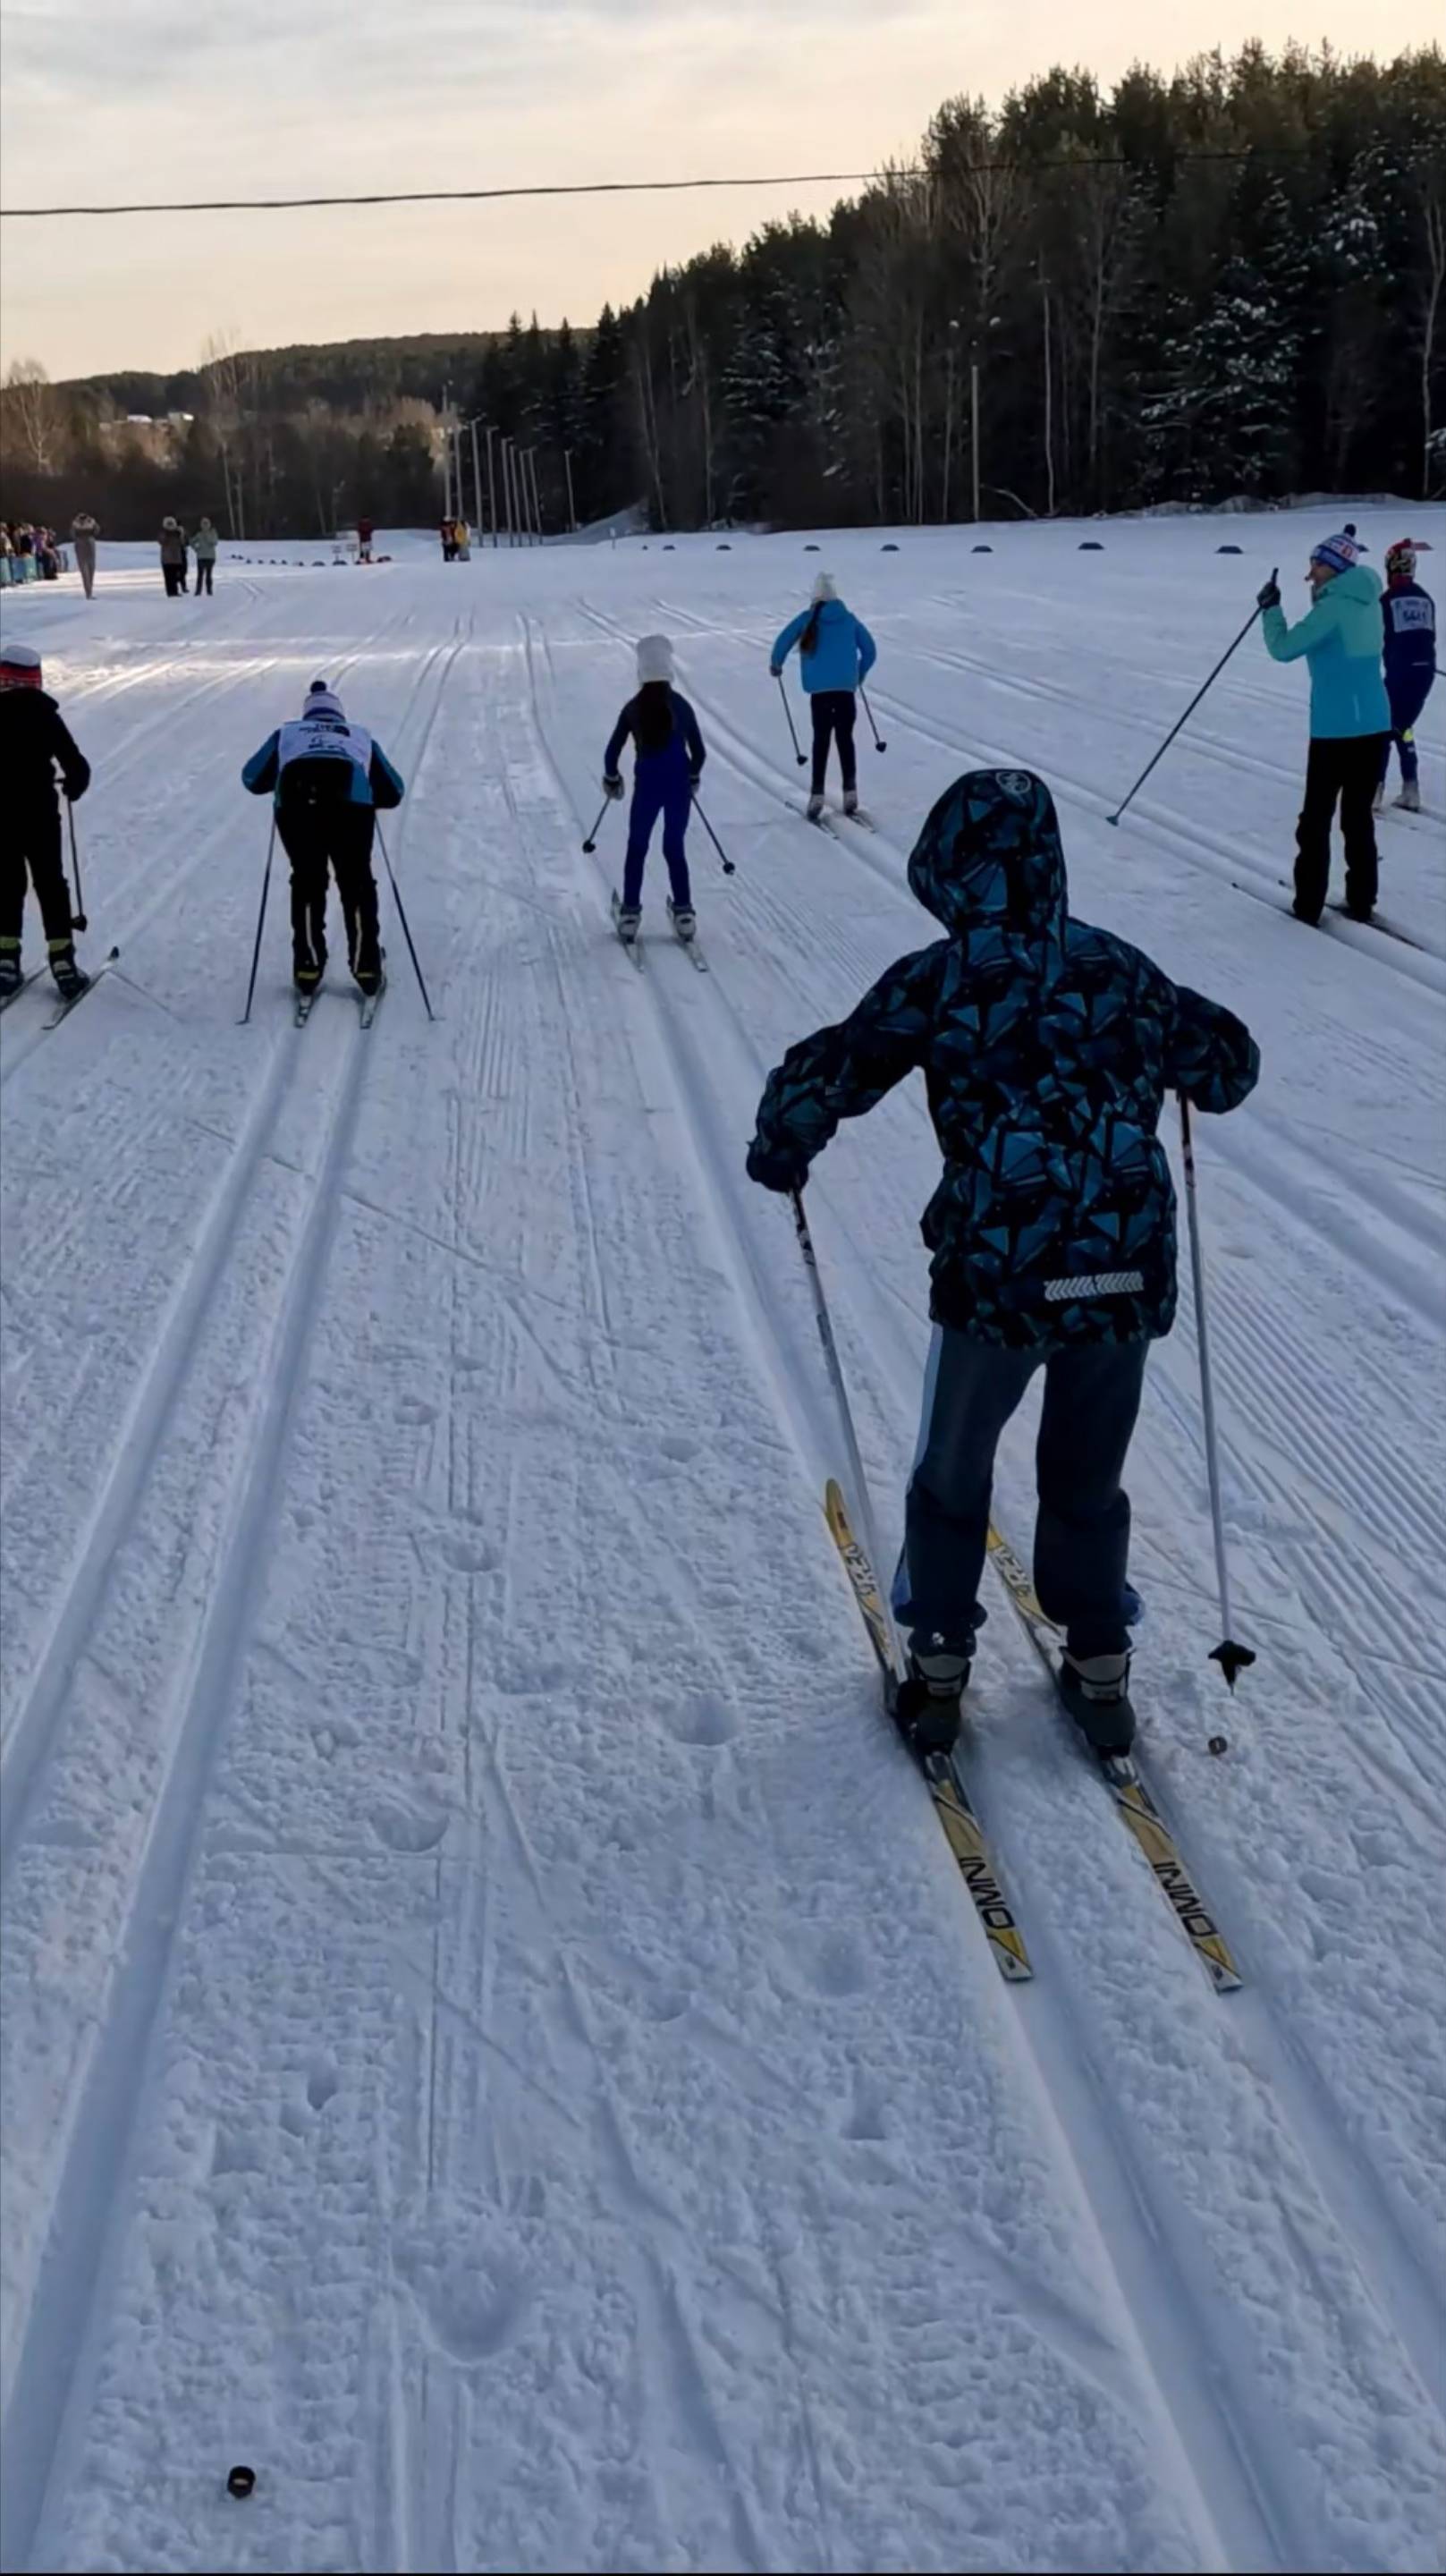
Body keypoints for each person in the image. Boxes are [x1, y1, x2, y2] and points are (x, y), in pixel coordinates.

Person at [746, 767, 1259, 1760]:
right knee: (1087, 1473)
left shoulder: (941, 977)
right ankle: (1101, 1662)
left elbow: (838, 1069)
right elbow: (1226, 1065)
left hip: (1000, 1280)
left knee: (954, 1467)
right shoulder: (1120, 968)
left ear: (952, 868)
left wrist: (783, 1146)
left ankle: (938, 1670)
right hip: (1122, 1273)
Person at [1258, 524, 1391, 925]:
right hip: (1374, 723)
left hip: (1336, 730)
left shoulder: (1332, 609)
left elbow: (1284, 648)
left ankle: (1309, 905)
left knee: (1315, 819)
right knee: (1357, 817)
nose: (1311, 571)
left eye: (1316, 564)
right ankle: (1362, 897)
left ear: (1334, 567)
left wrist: (1271, 609)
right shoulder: (1369, 600)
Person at [241, 678, 403, 997]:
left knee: (307, 880)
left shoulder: (286, 734)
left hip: (297, 810)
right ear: (339, 716)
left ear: (307, 716)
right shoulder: (360, 736)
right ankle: (366, 966)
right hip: (352, 809)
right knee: (356, 881)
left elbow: (251, 778)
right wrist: (372, 796)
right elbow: (394, 791)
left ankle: (308, 966)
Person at [0, 641, 92, 1003]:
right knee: (50, 882)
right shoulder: (44, 715)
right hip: (39, 812)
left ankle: (6, 958)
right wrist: (74, 784)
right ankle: (62, 960)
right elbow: (76, 766)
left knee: (6, 883)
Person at [602, 633, 705, 946]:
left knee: (637, 847)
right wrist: (692, 776)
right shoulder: (682, 706)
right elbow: (698, 752)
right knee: (674, 848)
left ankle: (630, 914)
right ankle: (684, 914)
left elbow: (611, 753)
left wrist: (612, 778)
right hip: (677, 791)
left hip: (647, 788)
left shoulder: (633, 708)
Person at [769, 572, 877, 821]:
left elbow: (783, 641)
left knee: (821, 740)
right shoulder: (849, 620)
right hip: (845, 691)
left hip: (819, 694)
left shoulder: (807, 619)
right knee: (845, 739)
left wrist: (776, 664)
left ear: (814, 597)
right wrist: (858, 675)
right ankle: (850, 790)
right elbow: (870, 651)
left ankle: (817, 793)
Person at [1377, 538, 1434, 815]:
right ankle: (1410, 788)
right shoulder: (1425, 597)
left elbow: (1376, 637)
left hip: (1400, 672)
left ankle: (1373, 792)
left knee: (1382, 728)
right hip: (1424, 672)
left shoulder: (1386, 600)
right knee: (1404, 727)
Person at [71, 511, 99, 599]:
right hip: (89, 543)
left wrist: (77, 539)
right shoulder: (91, 521)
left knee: (85, 570)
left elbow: (72, 534)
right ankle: (89, 591)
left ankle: (88, 592)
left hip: (80, 543)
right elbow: (97, 531)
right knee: (90, 568)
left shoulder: (75, 523)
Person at [159, 516, 187, 597]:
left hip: (176, 558)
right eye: (169, 524)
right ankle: (170, 592)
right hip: (166, 559)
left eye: (171, 524)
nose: (170, 526)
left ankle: (175, 591)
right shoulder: (163, 533)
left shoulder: (177, 533)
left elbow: (183, 543)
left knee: (176, 576)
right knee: (168, 577)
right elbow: (161, 541)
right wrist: (165, 533)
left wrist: (182, 534)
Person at [192, 516, 219, 596]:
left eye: (206, 524)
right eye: (203, 524)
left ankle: (209, 591)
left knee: (208, 575)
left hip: (210, 557)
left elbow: (214, 542)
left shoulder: (213, 533)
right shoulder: (199, 534)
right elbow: (192, 541)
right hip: (201, 557)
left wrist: (207, 536)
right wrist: (196, 548)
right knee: (200, 575)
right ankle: (198, 591)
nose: (205, 525)